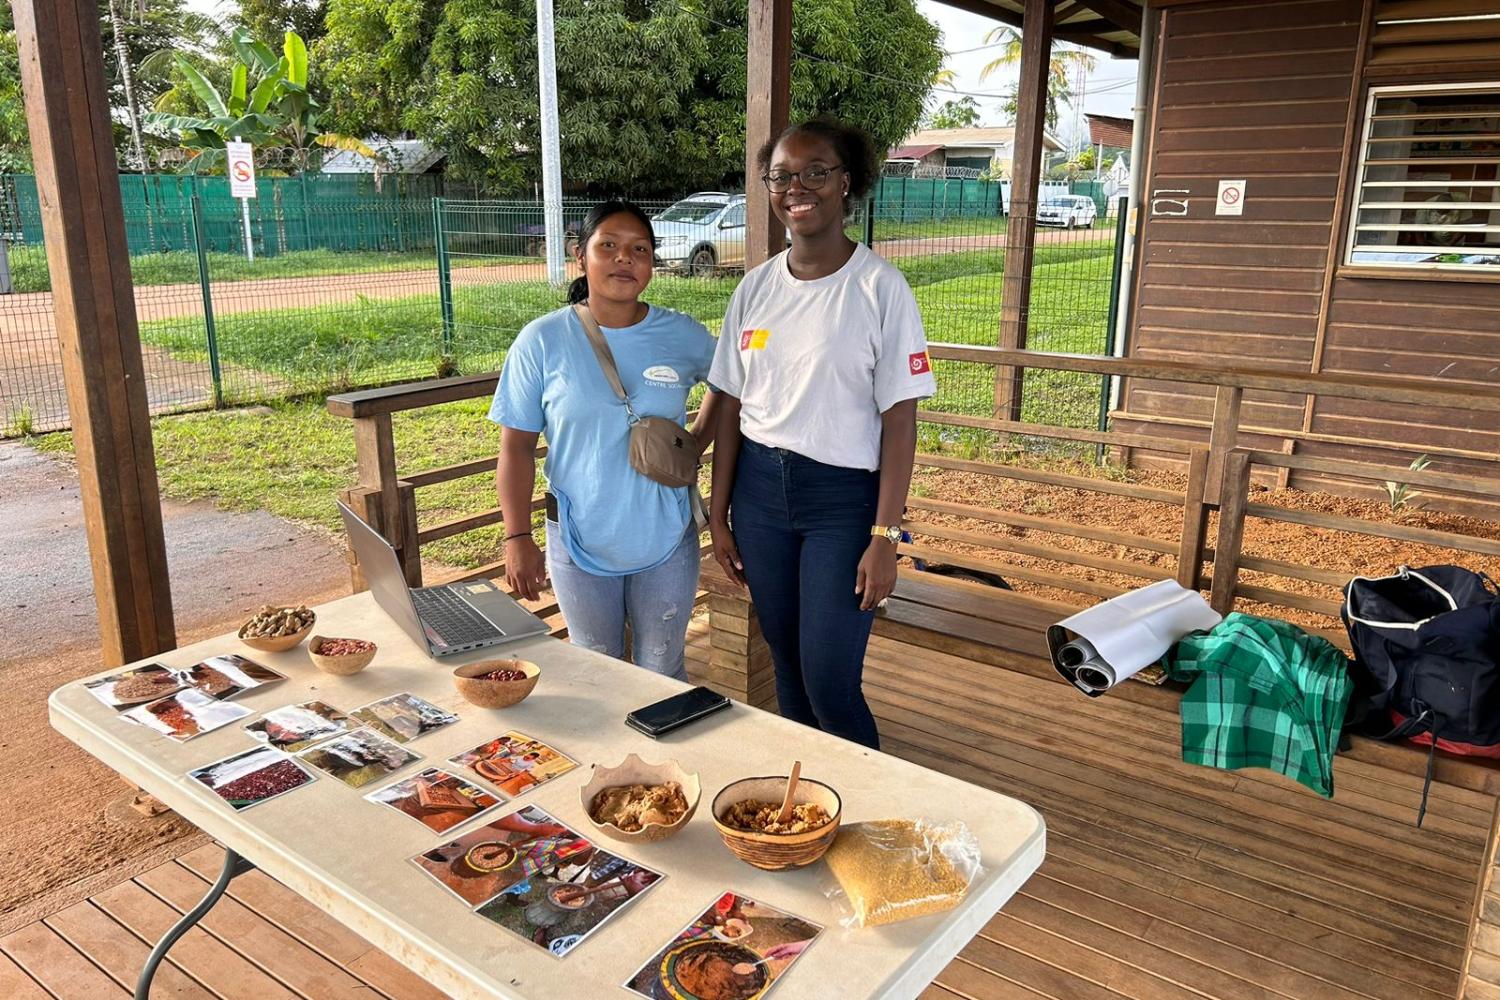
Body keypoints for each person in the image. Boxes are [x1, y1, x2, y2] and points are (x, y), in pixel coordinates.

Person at [708, 117, 936, 750]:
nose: (797, 187)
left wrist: (886, 536)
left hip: (842, 503)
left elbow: (900, 419)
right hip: (758, 494)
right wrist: (720, 512)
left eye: (815, 172)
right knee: (788, 668)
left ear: (847, 183)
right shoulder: (755, 288)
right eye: (781, 175)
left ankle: (867, 811)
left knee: (831, 679)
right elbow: (730, 407)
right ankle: (808, 809)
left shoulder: (879, 288)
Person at [492, 201, 720, 681]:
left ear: (653, 263)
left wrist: (697, 440)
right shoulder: (542, 341)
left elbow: (730, 386)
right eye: (609, 246)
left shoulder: (682, 334)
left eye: (639, 249)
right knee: (597, 669)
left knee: (662, 669)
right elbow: (515, 448)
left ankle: (663, 759)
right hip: (578, 538)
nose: (624, 259)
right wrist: (517, 537)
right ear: (581, 256)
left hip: (666, 534)